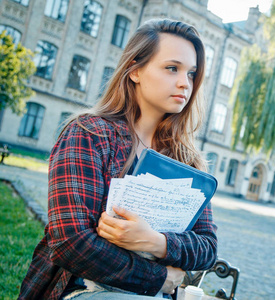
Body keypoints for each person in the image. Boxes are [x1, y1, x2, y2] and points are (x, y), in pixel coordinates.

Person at [18, 19, 218, 300]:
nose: (185, 83)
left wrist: (156, 242)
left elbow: (207, 248)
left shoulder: (186, 158)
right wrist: (159, 277)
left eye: (192, 73)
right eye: (172, 68)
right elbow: (70, 242)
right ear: (135, 70)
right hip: (80, 290)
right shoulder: (88, 134)